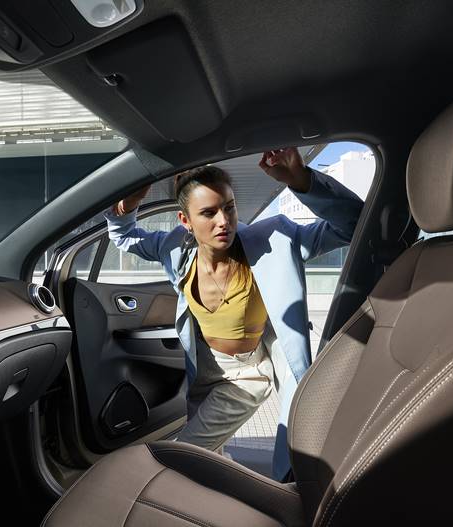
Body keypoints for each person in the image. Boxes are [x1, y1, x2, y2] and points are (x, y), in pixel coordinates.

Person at [105, 147, 364, 480]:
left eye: (229, 208)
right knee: (210, 463)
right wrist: (125, 210)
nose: (224, 221)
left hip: (246, 375)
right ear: (185, 221)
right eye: (209, 213)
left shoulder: (275, 240)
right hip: (203, 369)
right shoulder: (172, 248)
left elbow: (352, 224)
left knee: (181, 458)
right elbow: (123, 236)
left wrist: (302, 181)